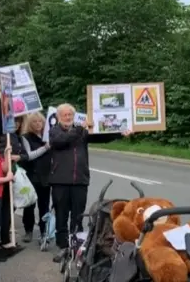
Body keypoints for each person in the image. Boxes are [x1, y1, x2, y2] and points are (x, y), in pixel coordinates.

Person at [50, 103, 132, 263]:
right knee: (61, 214)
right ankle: (62, 247)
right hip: (60, 181)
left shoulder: (81, 132)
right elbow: (62, 141)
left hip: (80, 180)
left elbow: (100, 137)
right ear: (59, 117)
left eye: (70, 115)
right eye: (65, 115)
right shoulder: (55, 131)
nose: (68, 118)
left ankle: (75, 246)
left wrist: (119, 133)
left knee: (78, 215)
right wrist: (81, 128)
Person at [0, 116, 28, 255]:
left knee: (9, 208)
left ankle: (6, 239)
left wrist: (18, 157)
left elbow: (26, 155)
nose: (15, 124)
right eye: (13, 121)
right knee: (5, 209)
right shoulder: (3, 136)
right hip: (2, 176)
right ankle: (4, 241)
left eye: (18, 121)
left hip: (14, 175)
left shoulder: (17, 137)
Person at [20, 112, 51, 244]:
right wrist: (45, 148)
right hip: (32, 175)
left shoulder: (48, 136)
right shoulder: (26, 137)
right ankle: (29, 230)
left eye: (40, 122)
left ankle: (44, 231)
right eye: (35, 122)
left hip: (46, 175)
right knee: (29, 205)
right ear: (30, 124)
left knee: (44, 205)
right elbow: (29, 155)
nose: (38, 124)